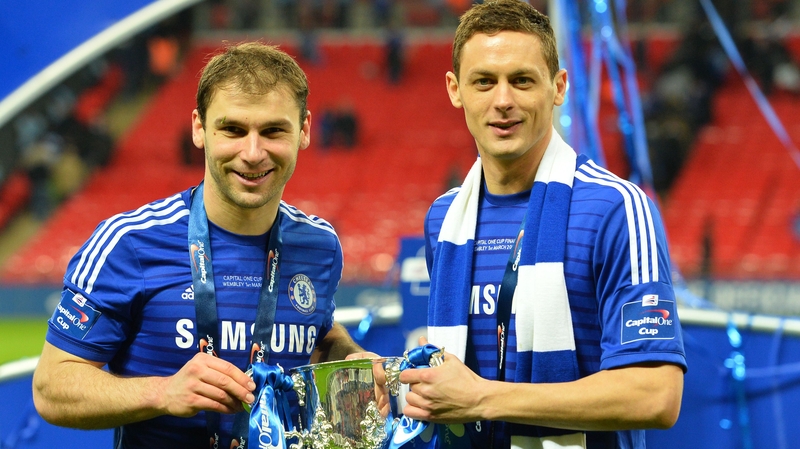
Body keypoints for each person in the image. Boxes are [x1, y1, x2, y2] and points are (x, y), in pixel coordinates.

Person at [32, 42, 368, 449]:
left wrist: (349, 356)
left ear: (305, 131)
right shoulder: (128, 243)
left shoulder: (321, 245)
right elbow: (51, 387)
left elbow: (319, 331)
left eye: (274, 130)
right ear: (198, 128)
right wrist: (162, 393)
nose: (253, 152)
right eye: (233, 129)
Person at [400, 1, 687, 448]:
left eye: (522, 80)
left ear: (558, 87)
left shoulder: (616, 209)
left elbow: (656, 396)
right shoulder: (444, 218)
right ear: (455, 90)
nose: (503, 101)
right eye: (484, 82)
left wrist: (484, 399)